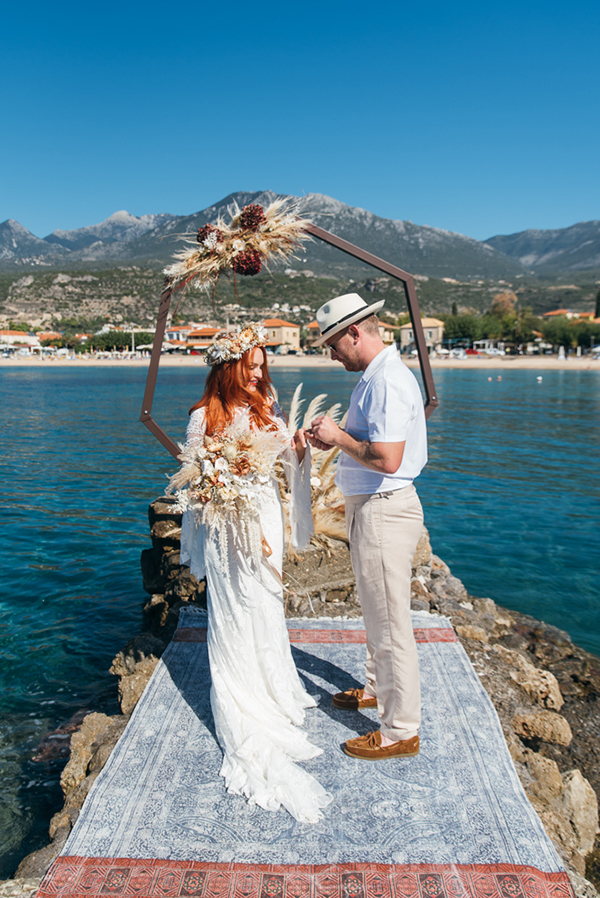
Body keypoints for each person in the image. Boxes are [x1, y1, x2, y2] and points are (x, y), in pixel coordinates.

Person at [176, 324, 331, 822]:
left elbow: (290, 456)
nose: (261, 374)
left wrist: (303, 443)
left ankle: (274, 687)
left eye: (264, 366)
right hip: (226, 526)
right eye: (253, 367)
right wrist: (219, 482)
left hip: (263, 514)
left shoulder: (268, 407)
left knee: (264, 600)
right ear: (229, 369)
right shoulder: (202, 418)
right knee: (232, 608)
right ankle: (243, 700)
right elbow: (196, 482)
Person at [308, 294, 427, 761]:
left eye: (333, 344)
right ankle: (377, 689)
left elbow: (388, 458)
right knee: (377, 612)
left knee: (392, 621)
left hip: (384, 509)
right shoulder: (376, 378)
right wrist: (334, 439)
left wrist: (337, 437)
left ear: (355, 332)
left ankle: (401, 730)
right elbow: (373, 446)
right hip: (372, 508)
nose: (331, 353)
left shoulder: (388, 383)